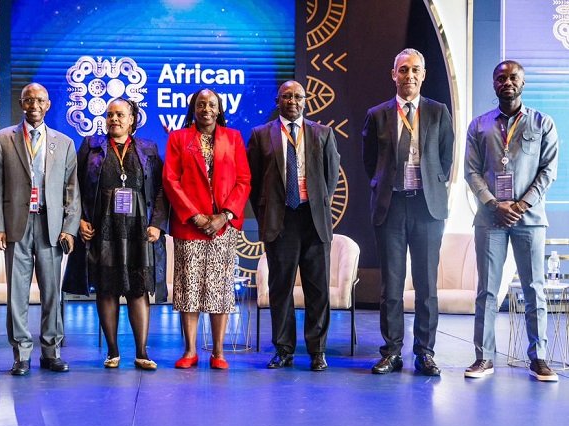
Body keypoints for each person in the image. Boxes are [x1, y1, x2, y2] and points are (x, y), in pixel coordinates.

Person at [464, 60, 559, 382]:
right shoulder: (479, 125)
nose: (507, 82)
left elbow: (548, 171)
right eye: (501, 77)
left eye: (513, 77)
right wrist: (493, 203)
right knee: (487, 290)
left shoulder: (542, 123)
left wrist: (521, 204)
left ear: (523, 82)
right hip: (490, 218)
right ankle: (483, 358)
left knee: (534, 289)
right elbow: (471, 171)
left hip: (529, 218)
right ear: (493, 84)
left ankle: (540, 358)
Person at [362, 48, 454, 376]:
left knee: (427, 286)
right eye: (403, 70)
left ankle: (425, 353)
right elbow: (370, 161)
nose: (409, 76)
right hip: (391, 206)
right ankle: (391, 352)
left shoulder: (438, 112)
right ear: (393, 74)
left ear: (424, 74)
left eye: (415, 70)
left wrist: (428, 185)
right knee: (392, 285)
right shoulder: (377, 115)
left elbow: (445, 159)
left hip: (427, 208)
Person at [63, 97, 168, 370]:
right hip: (102, 229)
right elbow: (73, 185)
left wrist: (157, 223)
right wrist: (79, 221)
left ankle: (142, 352)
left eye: (120, 115)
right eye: (110, 115)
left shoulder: (148, 148)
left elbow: (160, 190)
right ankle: (112, 352)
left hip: (138, 231)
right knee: (106, 290)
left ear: (132, 119)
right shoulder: (91, 145)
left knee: (138, 290)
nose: (114, 120)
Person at [0, 83, 81, 376]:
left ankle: (51, 352)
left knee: (52, 291)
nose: (34, 105)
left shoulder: (64, 142)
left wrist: (70, 228)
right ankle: (21, 354)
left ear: (49, 104)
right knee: (17, 294)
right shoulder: (2, 139)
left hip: (50, 226)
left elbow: (72, 190)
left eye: (40, 100)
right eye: (29, 100)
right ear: (21, 103)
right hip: (16, 224)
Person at [247, 80, 340, 371]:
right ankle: (284, 350)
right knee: (281, 288)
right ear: (278, 100)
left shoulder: (322, 134)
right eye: (286, 96)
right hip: (281, 221)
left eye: (298, 96)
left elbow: (331, 177)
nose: (292, 101)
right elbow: (254, 181)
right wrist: (266, 215)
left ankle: (317, 351)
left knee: (318, 290)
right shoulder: (261, 135)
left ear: (305, 100)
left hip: (313, 221)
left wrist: (314, 202)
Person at [163, 88, 251, 370]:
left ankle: (218, 352)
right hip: (191, 226)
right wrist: (195, 216)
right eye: (201, 104)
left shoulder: (233, 138)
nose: (206, 109)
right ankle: (190, 351)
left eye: (212, 104)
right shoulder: (179, 138)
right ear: (194, 108)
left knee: (219, 289)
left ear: (219, 108)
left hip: (223, 228)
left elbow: (244, 180)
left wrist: (224, 216)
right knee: (188, 289)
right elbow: (171, 180)